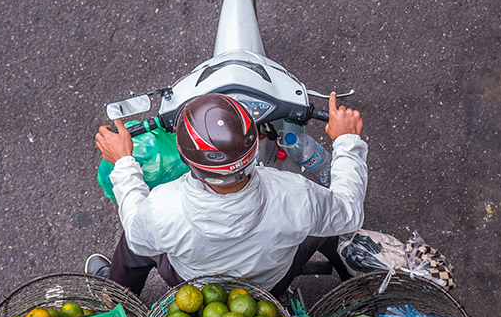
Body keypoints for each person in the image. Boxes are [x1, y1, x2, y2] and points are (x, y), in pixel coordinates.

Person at [86, 91, 367, 297]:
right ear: (255, 145)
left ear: (186, 159)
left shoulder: (162, 208)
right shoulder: (296, 195)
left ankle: (115, 300)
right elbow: (349, 212)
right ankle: (353, 280)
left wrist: (124, 161)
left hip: (193, 287)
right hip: (271, 284)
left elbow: (139, 237)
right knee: (325, 219)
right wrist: (347, 140)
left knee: (133, 243)